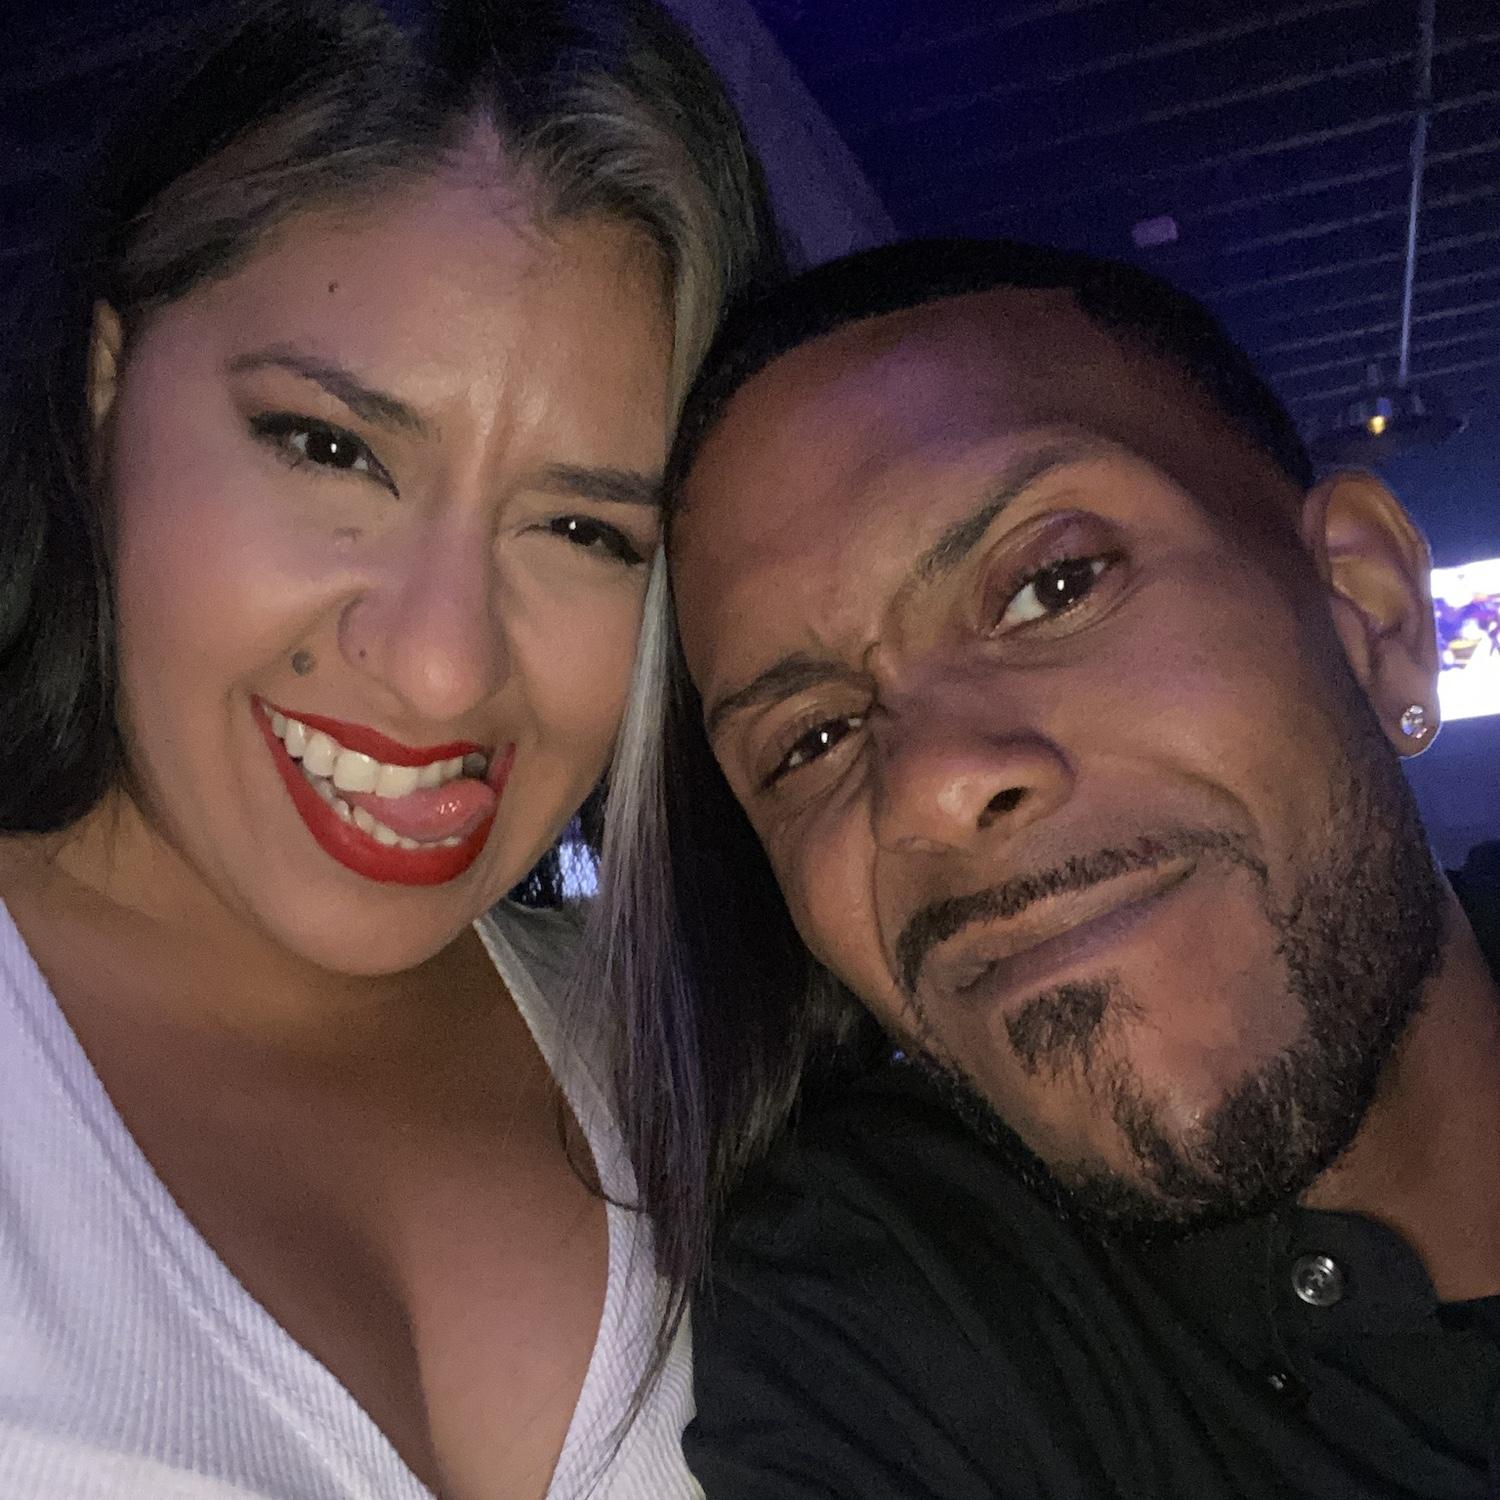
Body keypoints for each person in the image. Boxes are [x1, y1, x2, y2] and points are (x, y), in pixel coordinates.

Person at [0, 3, 774, 1497]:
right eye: (331, 447)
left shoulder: (699, 1061)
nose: (441, 663)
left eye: (585, 530)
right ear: (107, 395)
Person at [601, 238, 1500, 1497]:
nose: (928, 785)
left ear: (1375, 615)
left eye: (1053, 586)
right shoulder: (891, 1314)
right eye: (811, 741)